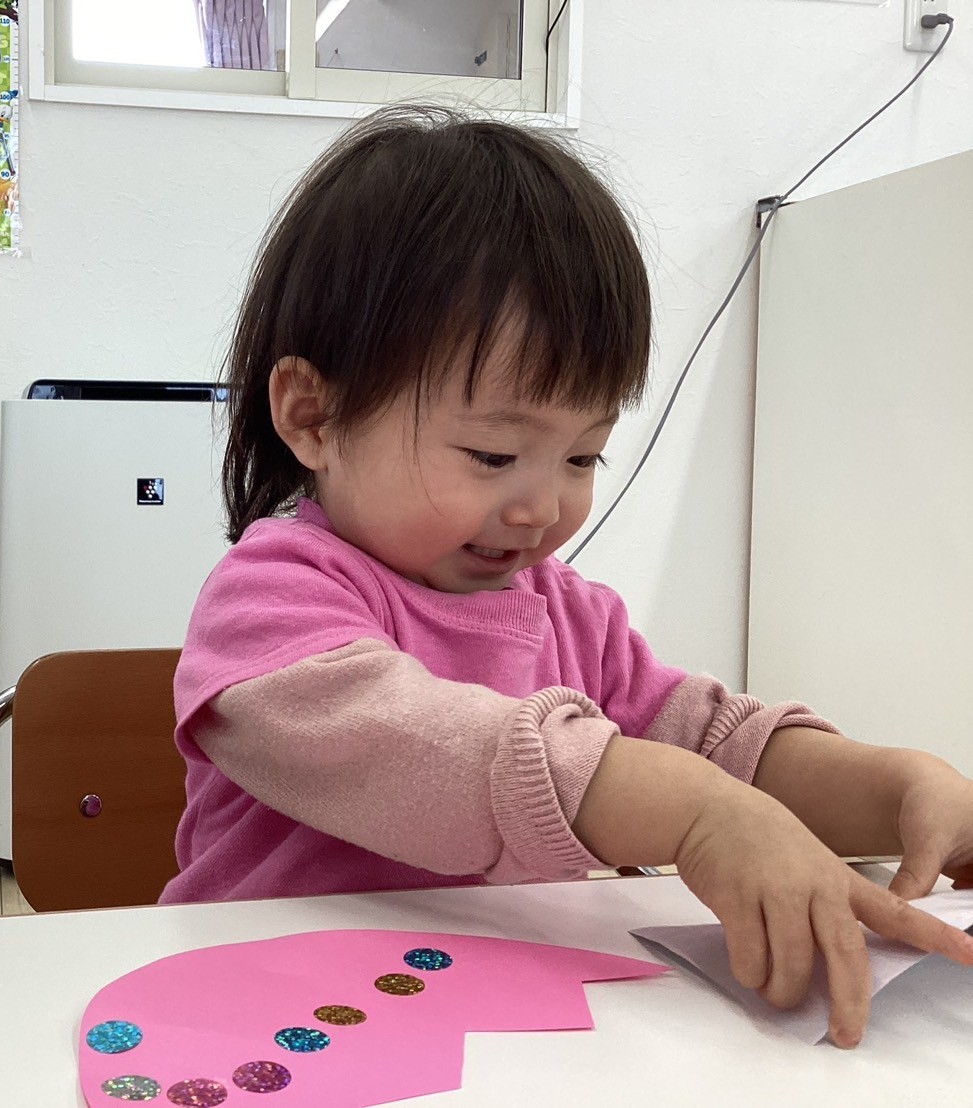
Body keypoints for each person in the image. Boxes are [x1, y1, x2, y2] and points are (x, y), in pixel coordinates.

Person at [160, 105, 973, 1048]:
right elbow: (427, 750)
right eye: (493, 454)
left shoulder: (566, 612)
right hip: (275, 1014)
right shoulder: (269, 598)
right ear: (313, 417)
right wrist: (694, 813)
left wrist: (896, 788)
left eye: (583, 457)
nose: (541, 508)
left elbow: (717, 742)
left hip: (499, 1013)